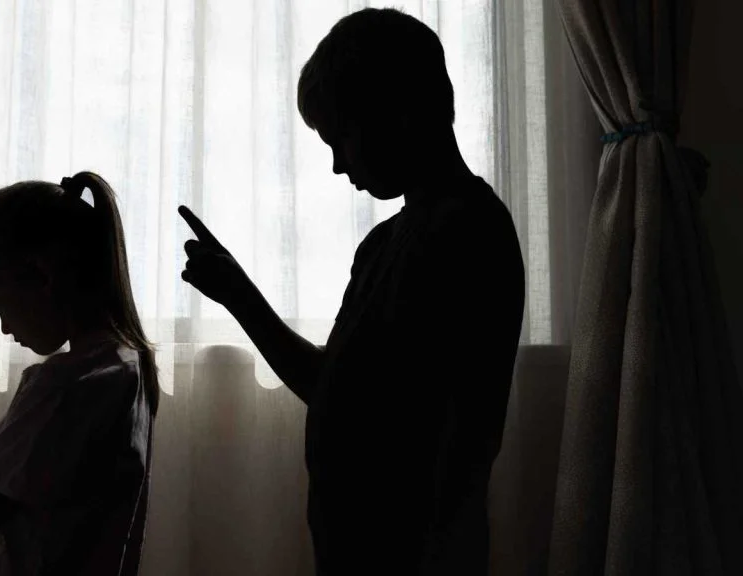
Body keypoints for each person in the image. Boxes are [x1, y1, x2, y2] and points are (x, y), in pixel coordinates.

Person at [179, 8, 525, 575]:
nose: (339, 165)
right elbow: (333, 386)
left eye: (341, 137)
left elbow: (457, 440)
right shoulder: (382, 245)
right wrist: (238, 295)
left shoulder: (469, 231)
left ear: (398, 113)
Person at [0, 172, 159, 576]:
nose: (5, 328)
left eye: (1, 306)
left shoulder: (66, 388)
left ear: (41, 278)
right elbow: (24, 475)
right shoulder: (126, 369)